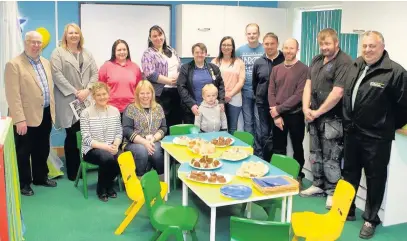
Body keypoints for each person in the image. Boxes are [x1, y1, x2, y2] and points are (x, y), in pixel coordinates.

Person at [342, 31, 407, 239]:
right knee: (350, 173)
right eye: (365, 46)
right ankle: (348, 209)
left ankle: (370, 219)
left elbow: (403, 108)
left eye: (372, 46)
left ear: (382, 46)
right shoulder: (356, 64)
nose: (368, 50)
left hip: (376, 138)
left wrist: (384, 125)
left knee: (375, 179)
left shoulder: (395, 72)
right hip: (352, 132)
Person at [300, 28, 352, 209]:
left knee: (332, 157)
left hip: (332, 119)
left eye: (328, 43)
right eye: (322, 43)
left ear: (336, 43)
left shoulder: (344, 62)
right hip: (313, 116)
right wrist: (306, 107)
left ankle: (332, 191)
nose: (324, 47)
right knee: (315, 153)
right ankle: (317, 184)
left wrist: (318, 111)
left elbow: (338, 93)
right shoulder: (316, 60)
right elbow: (308, 85)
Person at [4, 31, 57, 196]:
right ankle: (24, 183)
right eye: (32, 42)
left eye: (38, 43)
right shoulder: (14, 64)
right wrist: (19, 119)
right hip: (25, 118)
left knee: (42, 148)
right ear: (25, 43)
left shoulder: (46, 63)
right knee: (23, 151)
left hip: (45, 112)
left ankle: (40, 177)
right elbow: (13, 95)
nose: (36, 45)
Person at [51, 23, 98, 181]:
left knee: (84, 133)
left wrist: (87, 90)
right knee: (71, 135)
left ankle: (84, 166)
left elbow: (95, 74)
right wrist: (75, 91)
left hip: (85, 100)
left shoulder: (87, 53)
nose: (73, 35)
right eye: (70, 33)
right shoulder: (58, 53)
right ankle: (73, 171)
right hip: (68, 100)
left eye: (76, 33)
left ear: (80, 35)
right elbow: (57, 75)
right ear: (65, 35)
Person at [268, 38, 308, 181]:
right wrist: (276, 115)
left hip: (295, 115)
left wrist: (278, 109)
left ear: (297, 50)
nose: (288, 51)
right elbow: (271, 92)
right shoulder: (276, 69)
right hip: (278, 116)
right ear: (282, 49)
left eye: (291, 48)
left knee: (298, 146)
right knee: (278, 147)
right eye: (286, 48)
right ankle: (279, 175)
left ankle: (297, 176)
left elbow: (299, 95)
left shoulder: (304, 69)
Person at [80, 82, 122, 202]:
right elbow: (86, 138)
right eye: (98, 95)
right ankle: (102, 189)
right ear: (93, 97)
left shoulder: (115, 111)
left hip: (111, 147)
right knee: (107, 158)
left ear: (108, 95)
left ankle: (108, 184)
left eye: (104, 94)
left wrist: (116, 144)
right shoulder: (86, 113)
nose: (102, 97)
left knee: (124, 157)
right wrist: (105, 147)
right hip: (91, 149)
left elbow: (119, 132)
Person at [141, 25, 182, 131]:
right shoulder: (148, 53)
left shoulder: (171, 50)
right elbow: (150, 73)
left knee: (176, 122)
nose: (158, 38)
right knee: (163, 123)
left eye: (160, 35)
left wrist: (178, 78)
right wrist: (169, 81)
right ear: (150, 38)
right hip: (161, 93)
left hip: (176, 91)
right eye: (154, 36)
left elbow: (179, 66)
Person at [122, 81, 167, 178]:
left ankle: (161, 180)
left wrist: (153, 139)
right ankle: (139, 179)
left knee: (156, 151)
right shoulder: (130, 108)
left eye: (148, 93)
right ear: (137, 94)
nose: (145, 96)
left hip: (154, 140)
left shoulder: (158, 108)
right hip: (133, 142)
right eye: (142, 93)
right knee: (142, 150)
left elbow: (163, 128)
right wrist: (144, 142)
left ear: (152, 94)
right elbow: (127, 130)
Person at [252, 32, 285, 160]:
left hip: (280, 106)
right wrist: (259, 96)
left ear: (277, 44)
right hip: (263, 105)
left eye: (272, 44)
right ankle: (266, 162)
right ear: (263, 45)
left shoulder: (284, 60)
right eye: (266, 44)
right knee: (264, 135)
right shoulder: (259, 62)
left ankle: (278, 163)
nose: (269, 46)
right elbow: (255, 84)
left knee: (278, 135)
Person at [177, 43, 225, 124]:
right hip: (193, 110)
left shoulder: (214, 68)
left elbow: (220, 86)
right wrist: (191, 105)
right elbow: (181, 87)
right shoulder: (185, 68)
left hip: (212, 109)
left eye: (202, 52)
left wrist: (221, 101)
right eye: (197, 52)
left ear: (205, 54)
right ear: (193, 54)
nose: (200, 55)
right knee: (193, 135)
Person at [236, 23, 264, 146]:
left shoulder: (265, 49)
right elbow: (231, 63)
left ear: (258, 34)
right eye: (249, 33)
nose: (252, 36)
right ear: (246, 34)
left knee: (259, 122)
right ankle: (249, 148)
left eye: (254, 33)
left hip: (261, 92)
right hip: (245, 91)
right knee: (248, 122)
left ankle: (259, 151)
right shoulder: (240, 51)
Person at [99, 39, 142, 116]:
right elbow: (100, 88)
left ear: (127, 51)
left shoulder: (135, 67)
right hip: (110, 109)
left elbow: (139, 89)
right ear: (114, 52)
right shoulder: (106, 66)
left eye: (124, 49)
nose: (122, 52)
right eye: (119, 50)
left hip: (131, 109)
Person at [211, 36, 245, 134]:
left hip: (235, 98)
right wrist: (221, 96)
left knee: (232, 128)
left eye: (229, 45)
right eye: (224, 45)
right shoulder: (214, 62)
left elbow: (241, 81)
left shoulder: (239, 62)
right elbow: (212, 82)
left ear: (233, 47)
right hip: (218, 99)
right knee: (220, 127)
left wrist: (230, 94)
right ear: (220, 47)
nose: (226, 47)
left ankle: (231, 149)